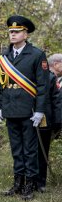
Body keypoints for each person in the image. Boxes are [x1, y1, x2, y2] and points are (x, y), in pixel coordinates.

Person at [0, 15, 48, 201]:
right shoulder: (5, 56)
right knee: (16, 148)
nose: (12, 35)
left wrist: (40, 110)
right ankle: (18, 183)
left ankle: (30, 184)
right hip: (10, 108)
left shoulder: (36, 54)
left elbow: (43, 86)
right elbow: (1, 84)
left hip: (29, 110)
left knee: (30, 149)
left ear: (25, 34)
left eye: (17, 32)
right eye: (11, 32)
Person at [40, 53, 62, 192]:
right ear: (56, 64)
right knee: (41, 152)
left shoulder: (55, 78)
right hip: (45, 121)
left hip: (52, 121)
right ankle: (38, 182)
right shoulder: (46, 77)